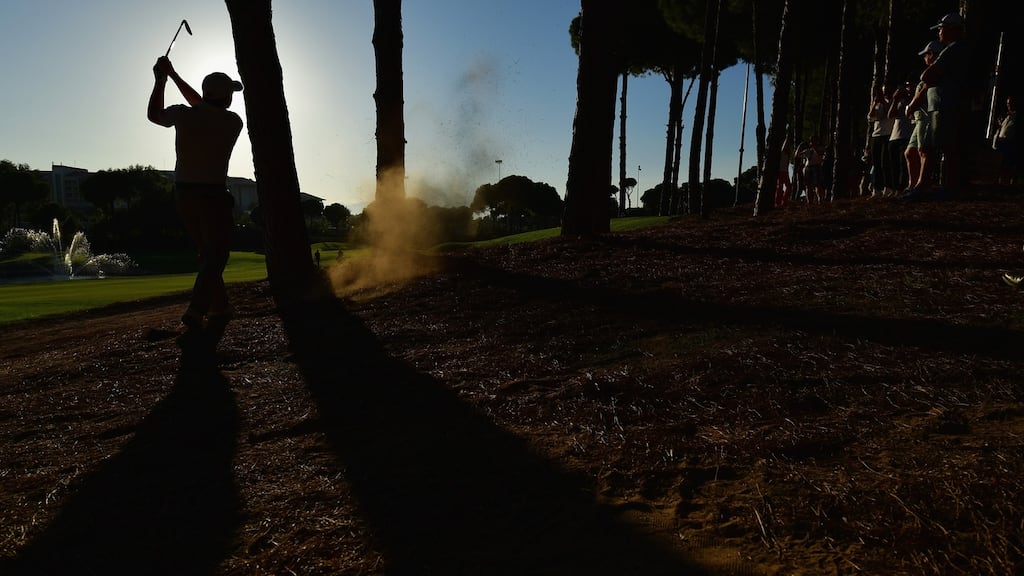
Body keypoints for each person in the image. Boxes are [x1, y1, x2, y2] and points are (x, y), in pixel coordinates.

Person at [148, 55, 244, 360]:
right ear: (226, 97)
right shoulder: (233, 122)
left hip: (184, 194)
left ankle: (220, 307)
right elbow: (203, 106)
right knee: (218, 255)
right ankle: (197, 310)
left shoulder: (184, 114)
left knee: (207, 253)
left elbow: (155, 115)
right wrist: (173, 75)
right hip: (213, 194)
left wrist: (162, 80)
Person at [904, 12, 969, 199]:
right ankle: (943, 186)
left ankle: (935, 187)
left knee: (941, 147)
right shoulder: (955, 49)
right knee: (944, 146)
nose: (939, 32)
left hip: (944, 104)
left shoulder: (953, 50)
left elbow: (927, 76)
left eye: (941, 28)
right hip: (942, 104)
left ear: (952, 29)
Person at [904, 41, 942, 193]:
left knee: (923, 150)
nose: (925, 58)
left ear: (932, 54)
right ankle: (912, 184)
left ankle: (922, 184)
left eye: (926, 55)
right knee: (910, 152)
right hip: (919, 118)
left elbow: (923, 94)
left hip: (926, 117)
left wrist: (910, 107)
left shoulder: (934, 73)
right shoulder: (930, 72)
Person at [867, 84, 895, 197]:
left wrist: (883, 101)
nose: (884, 93)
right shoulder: (877, 103)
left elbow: (889, 115)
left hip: (887, 134)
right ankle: (877, 188)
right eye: (883, 91)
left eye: (886, 91)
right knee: (876, 163)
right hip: (876, 135)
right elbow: (870, 117)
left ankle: (888, 187)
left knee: (885, 162)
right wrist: (875, 103)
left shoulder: (892, 102)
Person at [993, 94, 1018, 186]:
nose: (1009, 105)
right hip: (1002, 142)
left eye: (1010, 103)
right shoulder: (1007, 115)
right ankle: (1001, 181)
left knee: (1009, 163)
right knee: (1002, 163)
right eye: (1007, 103)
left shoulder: (1017, 116)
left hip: (1010, 143)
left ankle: (1010, 182)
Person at [798, 135, 826, 204]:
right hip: (808, 168)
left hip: (816, 167)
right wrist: (800, 146)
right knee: (808, 186)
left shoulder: (821, 148)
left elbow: (820, 153)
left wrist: (814, 147)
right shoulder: (808, 150)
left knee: (818, 185)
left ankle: (820, 200)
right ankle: (809, 202)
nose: (812, 142)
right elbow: (798, 155)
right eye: (811, 141)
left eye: (814, 140)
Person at [775, 136, 793, 208]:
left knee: (787, 187)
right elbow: (784, 146)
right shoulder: (782, 152)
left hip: (785, 172)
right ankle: (778, 202)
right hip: (781, 171)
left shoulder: (786, 155)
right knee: (780, 187)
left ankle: (782, 202)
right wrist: (787, 137)